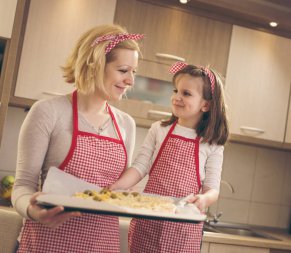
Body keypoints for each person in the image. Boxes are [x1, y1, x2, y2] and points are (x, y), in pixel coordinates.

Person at [11, 24, 143, 253]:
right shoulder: (48, 112)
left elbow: (115, 193)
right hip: (47, 244)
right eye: (123, 70)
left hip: (103, 246)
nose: (131, 80)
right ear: (95, 64)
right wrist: (34, 211)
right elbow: (22, 187)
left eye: (134, 72)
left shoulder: (126, 125)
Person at [110, 61, 229, 253]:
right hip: (147, 223)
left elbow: (212, 189)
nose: (177, 97)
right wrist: (118, 185)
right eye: (176, 91)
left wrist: (204, 199)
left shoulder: (211, 143)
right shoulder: (159, 129)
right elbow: (140, 166)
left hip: (183, 230)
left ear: (206, 104)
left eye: (186, 93)